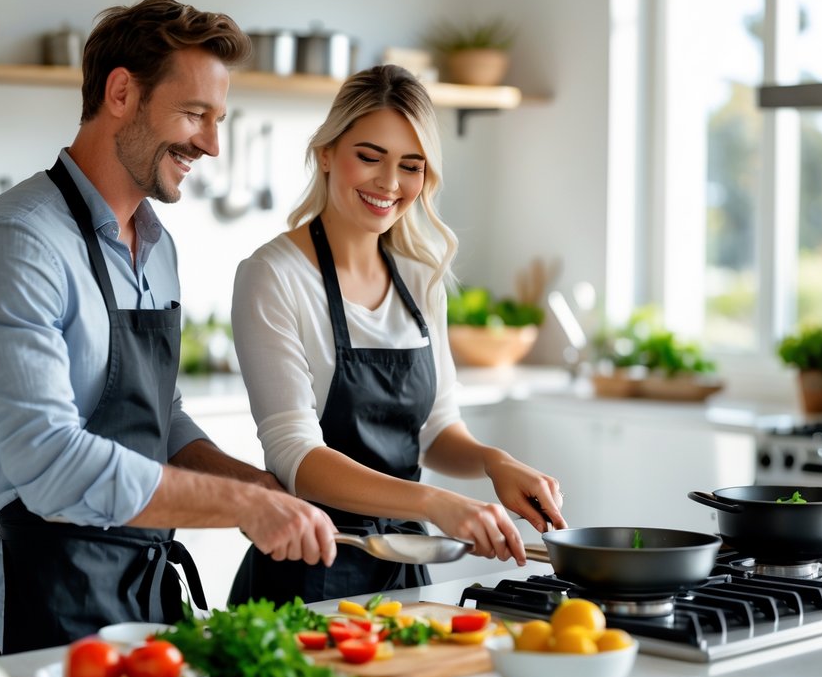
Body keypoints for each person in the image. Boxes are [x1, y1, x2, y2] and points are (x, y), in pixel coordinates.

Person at [0, 0, 337, 656]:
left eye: (219, 120)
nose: (211, 143)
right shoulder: (17, 243)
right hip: (48, 609)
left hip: (147, 600)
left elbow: (160, 415)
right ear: (121, 92)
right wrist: (238, 508)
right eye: (194, 114)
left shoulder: (156, 247)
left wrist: (252, 484)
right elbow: (51, 464)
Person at [228, 65, 568, 606]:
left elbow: (434, 431)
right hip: (309, 569)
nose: (389, 184)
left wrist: (491, 460)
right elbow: (297, 457)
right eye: (369, 156)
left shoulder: (420, 276)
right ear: (325, 153)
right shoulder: (273, 275)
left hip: (404, 573)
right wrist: (434, 503)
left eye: (411, 166)